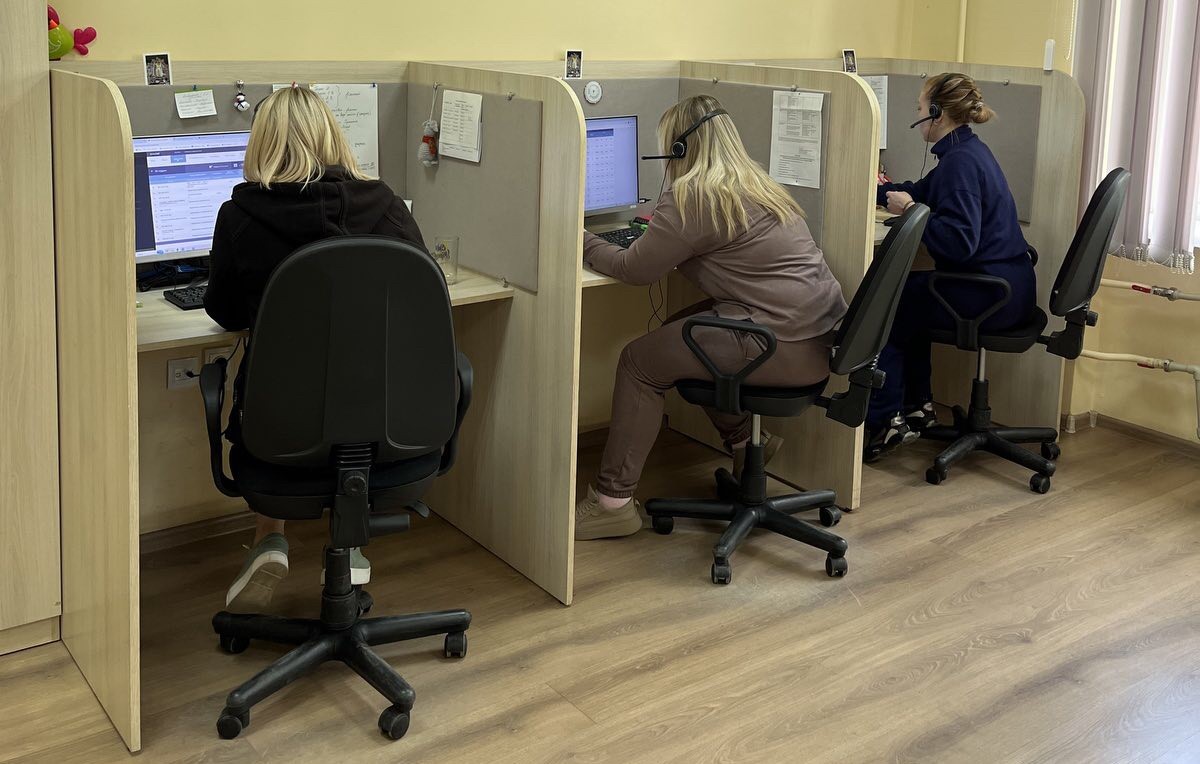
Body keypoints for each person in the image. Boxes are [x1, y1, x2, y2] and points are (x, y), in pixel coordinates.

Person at [576, 94, 848, 540]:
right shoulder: (758, 184)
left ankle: (612, 504)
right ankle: (746, 442)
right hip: (817, 339)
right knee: (677, 335)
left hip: (778, 347)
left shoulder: (695, 196)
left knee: (639, 363)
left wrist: (581, 237)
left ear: (680, 148)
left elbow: (634, 270)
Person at [204, 86, 427, 610]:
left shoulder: (239, 216)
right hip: (386, 424)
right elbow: (423, 293)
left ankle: (269, 539)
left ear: (261, 144)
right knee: (350, 392)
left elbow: (226, 313)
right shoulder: (385, 204)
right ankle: (348, 541)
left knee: (281, 392)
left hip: (280, 432)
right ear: (332, 135)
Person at [867, 72, 1036, 461]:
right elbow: (921, 191)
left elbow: (960, 244)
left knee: (886, 304)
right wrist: (877, 190)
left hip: (990, 295)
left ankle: (885, 420)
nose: (916, 116)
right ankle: (918, 407)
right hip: (1008, 286)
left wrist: (912, 210)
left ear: (937, 113)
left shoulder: (959, 164)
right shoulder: (966, 152)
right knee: (912, 300)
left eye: (919, 108)